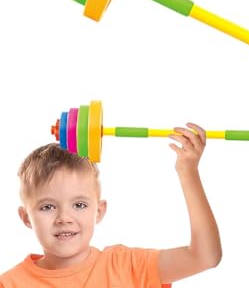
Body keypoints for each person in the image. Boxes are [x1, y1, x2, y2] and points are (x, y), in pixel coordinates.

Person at [0, 123, 222, 287]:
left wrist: (188, 172)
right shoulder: (10, 283)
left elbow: (205, 257)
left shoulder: (127, 266)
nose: (64, 218)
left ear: (99, 211)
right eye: (47, 207)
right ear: (26, 217)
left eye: (79, 205)